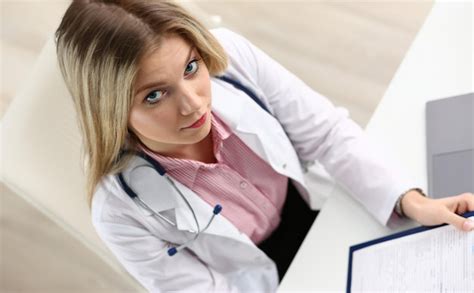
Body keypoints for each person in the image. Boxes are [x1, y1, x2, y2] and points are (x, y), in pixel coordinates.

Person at [55, 0, 474, 292]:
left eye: (190, 67)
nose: (193, 103)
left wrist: (410, 200)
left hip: (320, 208)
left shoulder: (231, 56)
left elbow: (326, 133)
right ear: (109, 112)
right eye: (153, 96)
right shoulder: (120, 211)